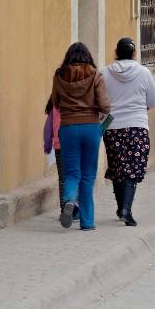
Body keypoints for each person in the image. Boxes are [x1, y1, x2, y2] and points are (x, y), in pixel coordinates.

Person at [50, 42, 111, 231]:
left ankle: (69, 201)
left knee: (71, 173)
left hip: (68, 127)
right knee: (87, 175)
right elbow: (105, 105)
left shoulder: (59, 76)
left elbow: (56, 102)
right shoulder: (96, 75)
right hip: (91, 127)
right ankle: (87, 222)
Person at [102, 37, 155, 226]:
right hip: (137, 127)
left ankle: (121, 207)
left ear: (116, 52)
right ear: (134, 53)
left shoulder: (104, 73)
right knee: (132, 169)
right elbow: (152, 101)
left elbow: (100, 100)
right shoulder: (144, 73)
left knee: (118, 167)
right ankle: (126, 209)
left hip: (112, 127)